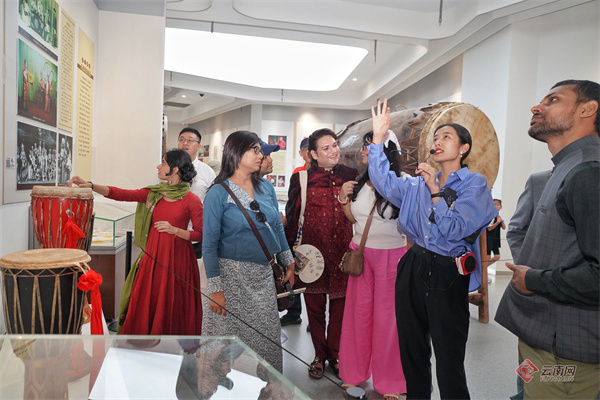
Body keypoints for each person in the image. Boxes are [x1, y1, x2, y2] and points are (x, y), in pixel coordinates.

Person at [368, 98, 497, 399]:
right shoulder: (416, 185)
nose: (438, 142)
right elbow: (383, 182)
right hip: (412, 265)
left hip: (447, 272)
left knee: (449, 358)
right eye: (435, 137)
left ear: (464, 148)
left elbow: (456, 230)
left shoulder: (474, 185)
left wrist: (435, 191)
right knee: (412, 351)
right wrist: (378, 138)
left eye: (446, 137)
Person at [495, 79, 599, 399]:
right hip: (545, 339)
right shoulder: (567, 167)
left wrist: (534, 279)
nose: (536, 107)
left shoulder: (588, 171)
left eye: (553, 100)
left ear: (587, 109)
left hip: (565, 353)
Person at [68, 149, 203, 335]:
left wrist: (176, 231)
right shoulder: (155, 194)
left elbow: (201, 234)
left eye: (164, 163)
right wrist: (91, 185)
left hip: (177, 260)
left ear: (175, 170)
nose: (158, 166)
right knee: (148, 299)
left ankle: (170, 343)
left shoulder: (191, 200)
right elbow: (122, 194)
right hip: (153, 257)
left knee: (171, 301)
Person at [201, 130, 295, 373]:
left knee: (267, 343)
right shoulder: (218, 192)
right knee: (223, 345)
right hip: (229, 279)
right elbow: (209, 244)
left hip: (263, 277)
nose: (260, 154)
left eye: (260, 150)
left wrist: (289, 261)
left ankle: (267, 387)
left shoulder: (266, 187)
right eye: (255, 149)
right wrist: (215, 290)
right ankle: (221, 383)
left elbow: (276, 227)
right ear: (236, 152)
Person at [338, 131, 407, 400]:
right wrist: (343, 199)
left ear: (386, 152)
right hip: (361, 255)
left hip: (392, 255)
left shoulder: (402, 183)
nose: (363, 151)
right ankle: (354, 373)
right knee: (358, 315)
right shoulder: (359, 182)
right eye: (365, 146)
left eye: (370, 146)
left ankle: (390, 381)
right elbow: (354, 218)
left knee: (389, 320)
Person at [285, 128, 358, 379]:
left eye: (335, 145)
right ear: (313, 154)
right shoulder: (302, 178)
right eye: (326, 148)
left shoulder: (351, 175)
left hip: (342, 254)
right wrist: (289, 258)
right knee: (315, 310)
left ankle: (335, 355)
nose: (333, 151)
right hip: (312, 254)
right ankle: (319, 355)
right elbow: (293, 218)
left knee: (340, 309)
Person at [178, 127, 216, 259]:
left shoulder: (207, 172)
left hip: (195, 234)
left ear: (199, 146)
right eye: (181, 140)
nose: (185, 143)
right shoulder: (167, 168)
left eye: (190, 140)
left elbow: (212, 203)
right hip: (170, 232)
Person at [485, 199, 505, 268]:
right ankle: (483, 270)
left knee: (497, 256)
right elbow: (489, 228)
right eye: (494, 205)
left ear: (501, 207)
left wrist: (501, 221)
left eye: (497, 205)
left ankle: (483, 268)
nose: (496, 206)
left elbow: (504, 227)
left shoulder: (498, 217)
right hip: (489, 239)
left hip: (496, 240)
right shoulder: (490, 216)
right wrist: (498, 222)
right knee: (487, 257)